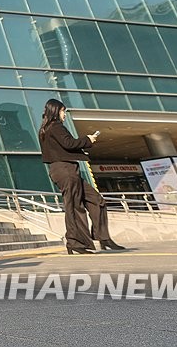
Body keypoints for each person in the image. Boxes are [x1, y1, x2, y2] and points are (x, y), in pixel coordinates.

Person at [38, 98, 126, 254]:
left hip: (66, 169)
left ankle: (103, 237)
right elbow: (69, 143)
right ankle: (75, 242)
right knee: (74, 206)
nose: (65, 114)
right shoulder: (55, 127)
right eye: (63, 111)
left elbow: (64, 146)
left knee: (96, 200)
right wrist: (87, 140)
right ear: (56, 111)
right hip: (65, 169)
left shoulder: (47, 129)